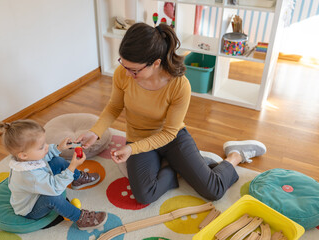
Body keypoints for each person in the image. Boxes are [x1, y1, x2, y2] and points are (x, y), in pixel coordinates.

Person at [77, 22, 267, 204]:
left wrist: (131, 150)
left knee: (213, 190)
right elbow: (114, 107)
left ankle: (235, 155)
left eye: (134, 70)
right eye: (124, 65)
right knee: (144, 194)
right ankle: (177, 167)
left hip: (172, 137)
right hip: (138, 136)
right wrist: (96, 132)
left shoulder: (179, 85)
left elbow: (169, 132)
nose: (127, 73)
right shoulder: (123, 73)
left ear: (156, 63)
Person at [0, 119, 107, 230]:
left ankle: (77, 179)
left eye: (45, 143)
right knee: (52, 198)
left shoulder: (25, 159)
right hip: (31, 209)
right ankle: (80, 218)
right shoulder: (30, 176)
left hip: (36, 190)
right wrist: (72, 167)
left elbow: (44, 157)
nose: (46, 146)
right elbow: (55, 189)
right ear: (23, 155)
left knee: (57, 161)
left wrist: (58, 148)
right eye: (41, 147)